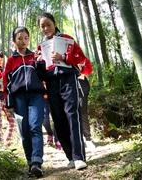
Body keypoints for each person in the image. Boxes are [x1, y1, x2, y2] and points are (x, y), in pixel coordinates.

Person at [36, 12, 89, 171]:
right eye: (42, 26)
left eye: (48, 24)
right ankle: (70, 157)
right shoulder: (40, 46)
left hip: (68, 79)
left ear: (54, 23)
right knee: (58, 119)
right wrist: (38, 63)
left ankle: (79, 157)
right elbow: (41, 73)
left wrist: (64, 57)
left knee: (72, 115)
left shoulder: (67, 39)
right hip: (51, 83)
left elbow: (81, 60)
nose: (46, 28)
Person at [3, 26, 46, 178]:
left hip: (36, 96)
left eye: (25, 38)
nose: (23, 41)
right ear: (14, 41)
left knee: (35, 126)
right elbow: (6, 83)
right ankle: (30, 162)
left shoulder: (35, 56)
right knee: (24, 131)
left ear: (29, 39)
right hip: (19, 98)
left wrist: (41, 63)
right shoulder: (10, 61)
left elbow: (43, 76)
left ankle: (36, 162)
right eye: (19, 38)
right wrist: (9, 103)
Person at [78, 58, 95, 151]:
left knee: (83, 112)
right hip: (67, 87)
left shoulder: (81, 57)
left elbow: (89, 70)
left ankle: (88, 138)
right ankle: (76, 140)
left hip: (82, 85)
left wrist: (81, 69)